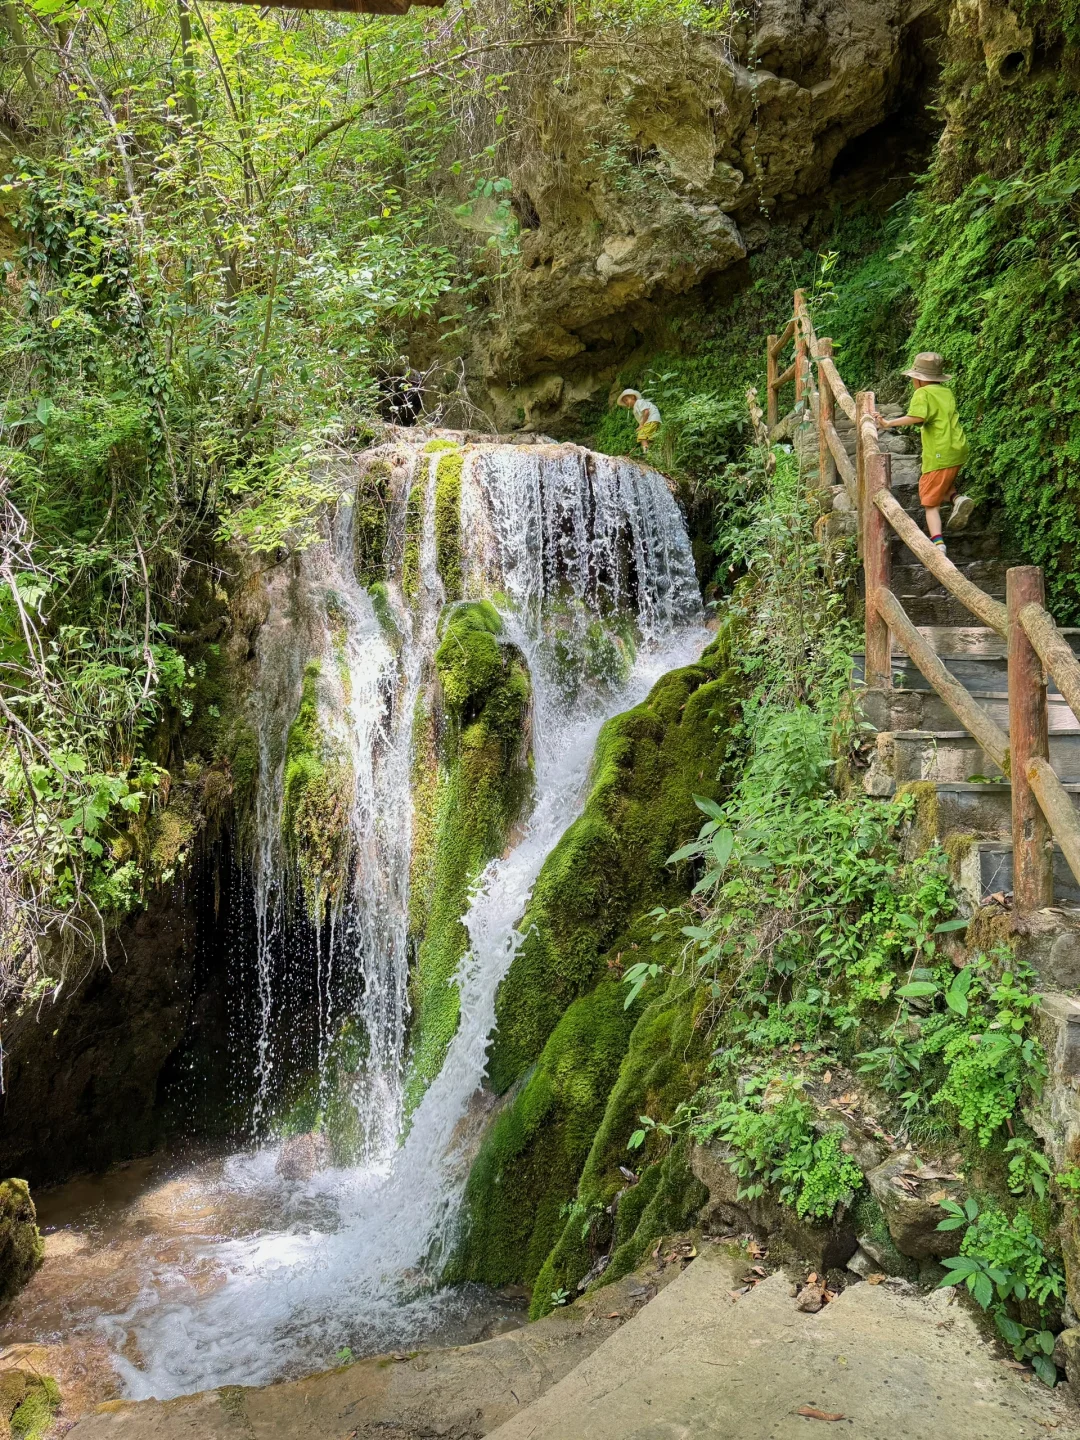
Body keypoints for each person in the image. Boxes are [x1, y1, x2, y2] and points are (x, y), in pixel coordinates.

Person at [873, 353, 973, 555]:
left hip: (939, 451)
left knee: (930, 502)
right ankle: (957, 499)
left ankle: (938, 545)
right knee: (942, 484)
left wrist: (888, 423)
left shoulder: (922, 393)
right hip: (958, 448)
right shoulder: (946, 392)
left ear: (919, 379)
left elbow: (917, 416)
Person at [617, 388, 661, 454]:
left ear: (633, 397)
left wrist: (642, 425)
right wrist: (641, 425)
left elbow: (646, 412)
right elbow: (642, 418)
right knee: (648, 437)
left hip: (652, 419)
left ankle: (646, 453)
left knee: (642, 435)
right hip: (651, 421)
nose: (626, 403)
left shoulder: (639, 402)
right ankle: (652, 452)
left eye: (626, 400)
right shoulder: (635, 407)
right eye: (625, 402)